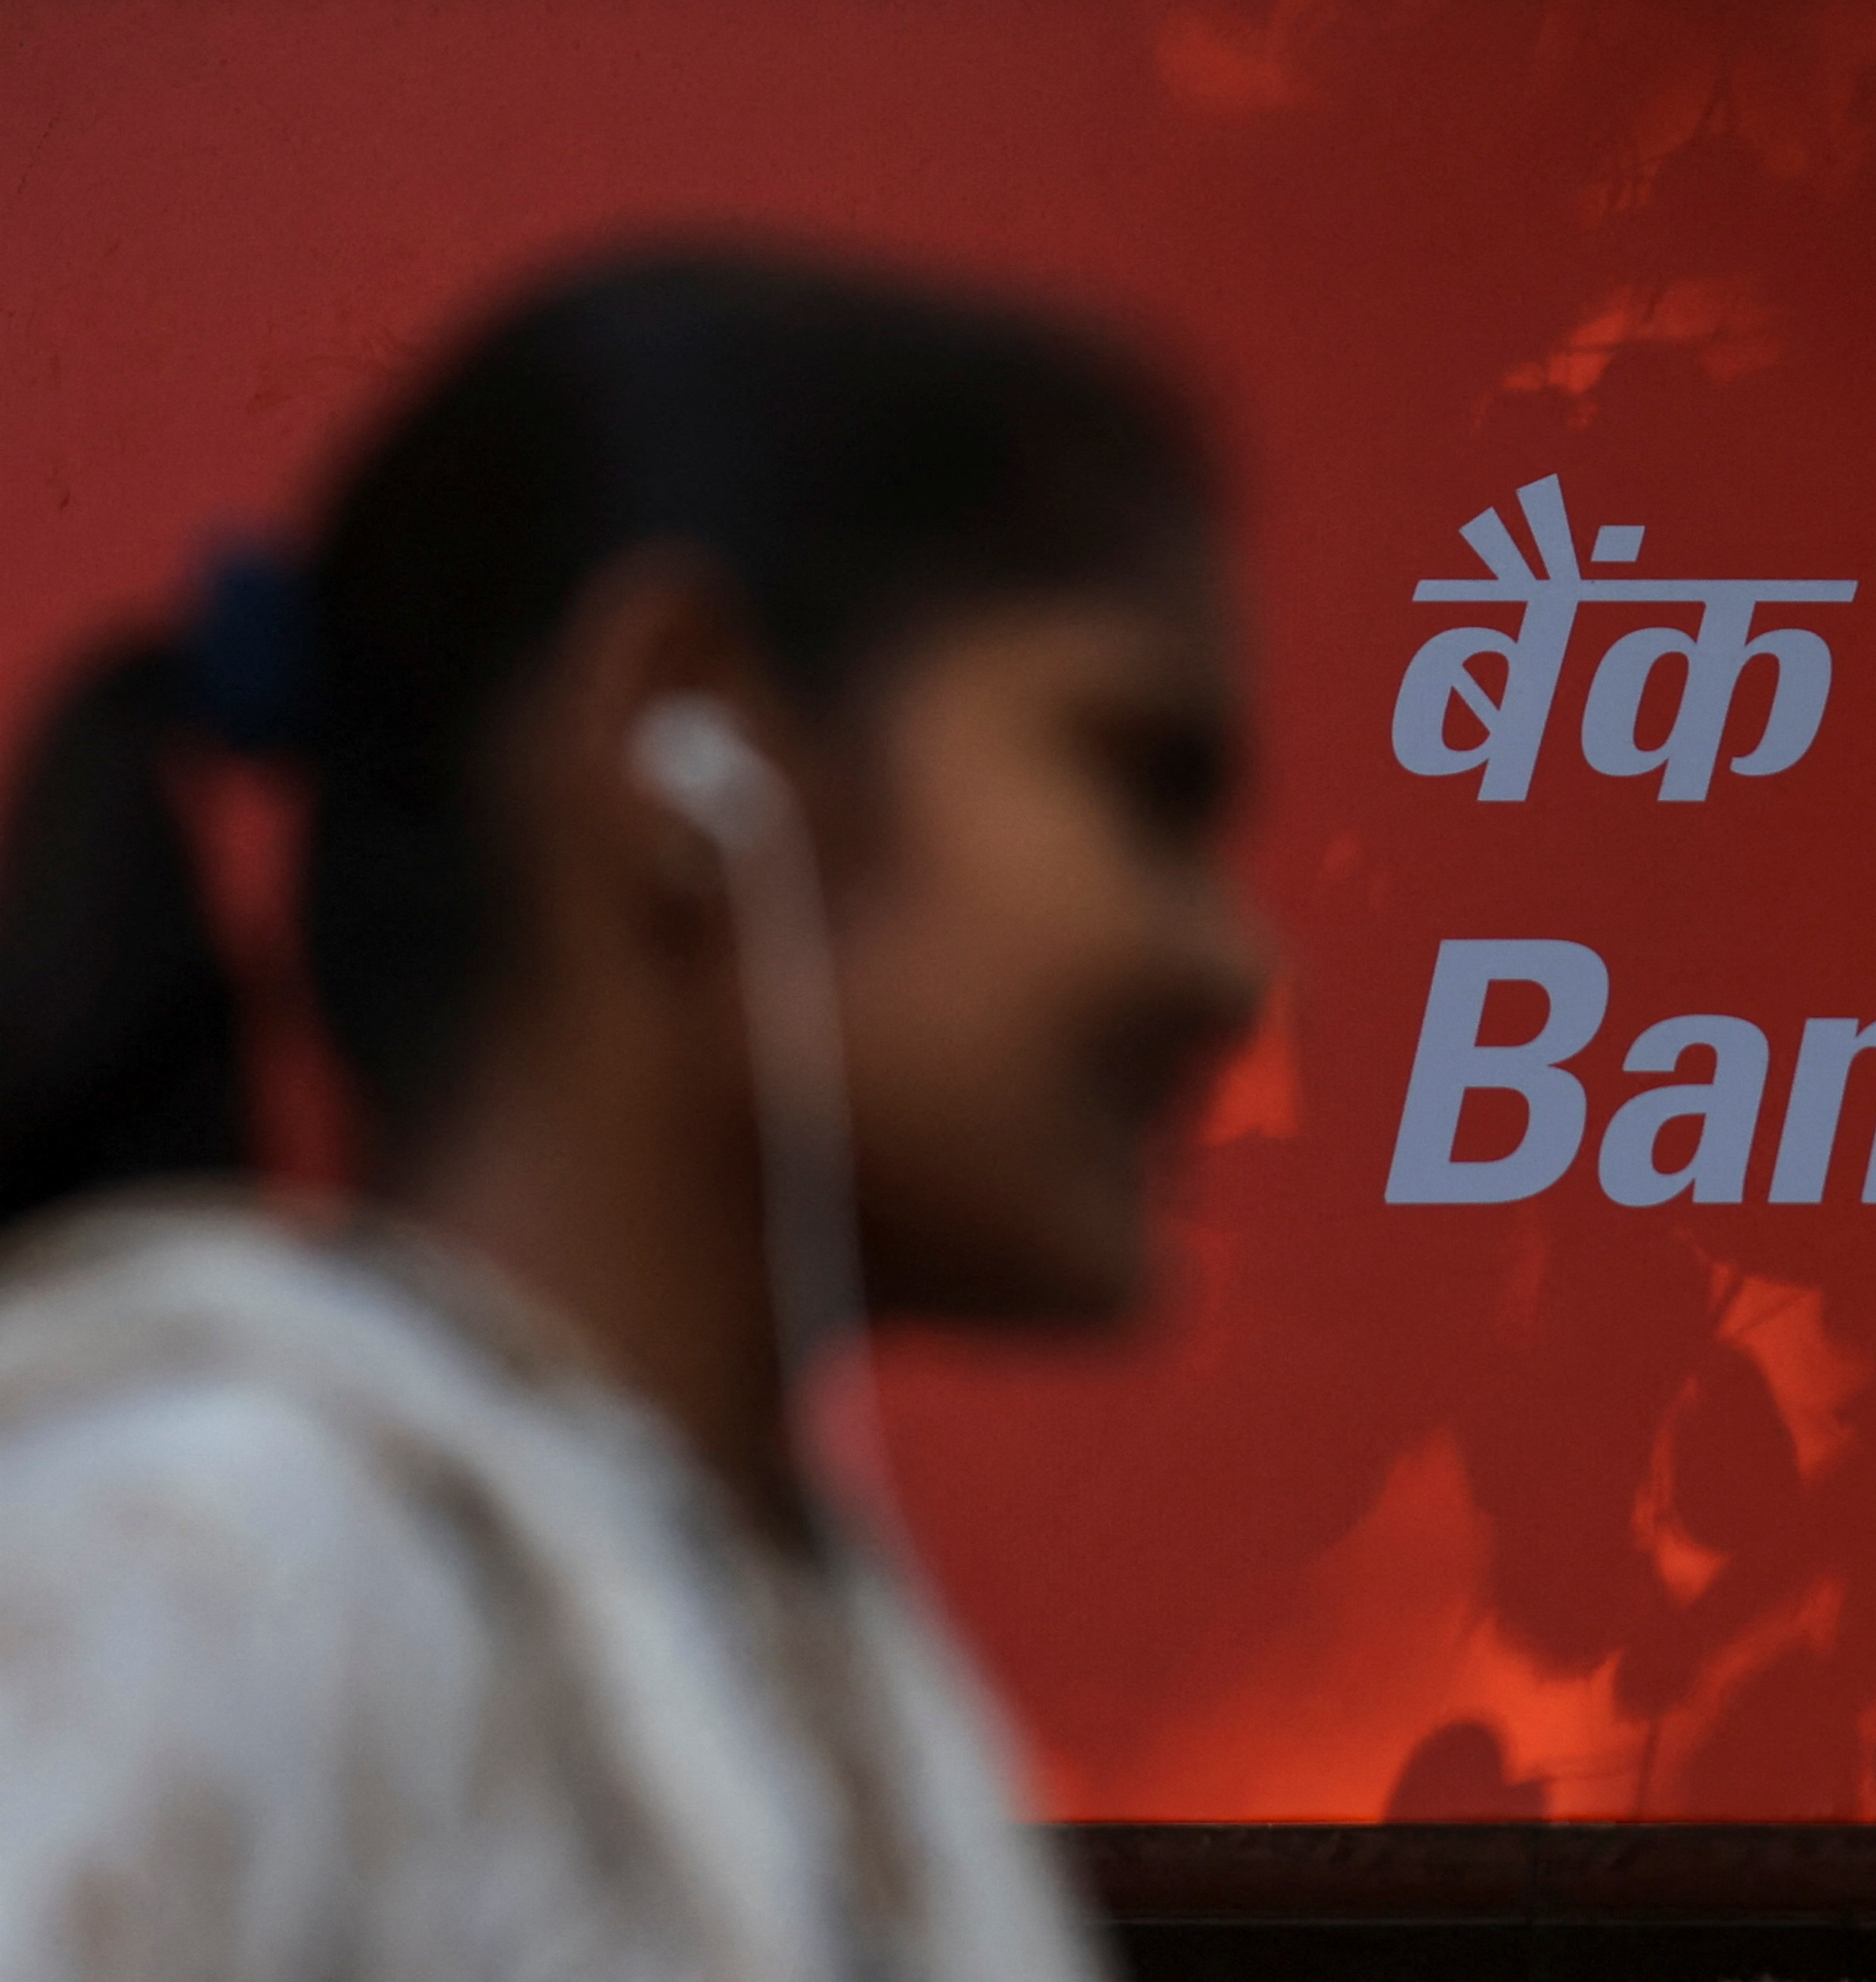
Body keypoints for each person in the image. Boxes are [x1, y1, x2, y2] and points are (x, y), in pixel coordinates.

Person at [0, 250, 1265, 1982]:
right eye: (1138, 777)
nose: (1232, 962)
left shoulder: (835, 1684)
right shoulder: (211, 1547)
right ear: (688, 733)